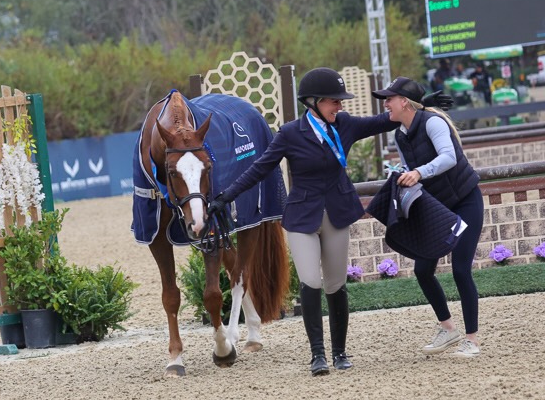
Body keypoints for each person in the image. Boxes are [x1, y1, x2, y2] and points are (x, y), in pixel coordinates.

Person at [206, 67, 400, 376]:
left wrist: (418, 103)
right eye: (334, 101)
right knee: (311, 281)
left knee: (336, 284)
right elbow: (260, 168)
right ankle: (317, 355)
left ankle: (339, 352)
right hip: (302, 217)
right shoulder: (290, 133)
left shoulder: (345, 125)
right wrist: (226, 196)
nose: (340, 106)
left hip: (336, 213)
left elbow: (385, 120)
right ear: (314, 102)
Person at [372, 76, 484, 358]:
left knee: (460, 270)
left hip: (466, 201)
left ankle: (472, 340)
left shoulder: (433, 122)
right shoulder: (399, 135)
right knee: (422, 270)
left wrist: (419, 172)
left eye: (389, 99)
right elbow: (410, 167)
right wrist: (401, 174)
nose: (385, 104)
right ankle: (448, 329)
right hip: (438, 208)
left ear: (404, 102)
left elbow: (448, 157)